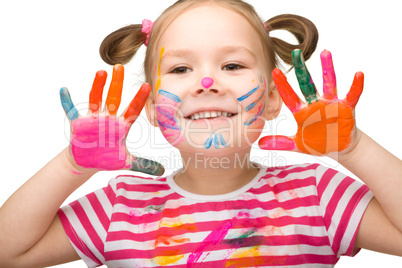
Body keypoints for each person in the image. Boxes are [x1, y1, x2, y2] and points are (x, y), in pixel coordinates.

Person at [0, 0, 401, 267]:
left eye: (232, 66)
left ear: (276, 97)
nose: (207, 81)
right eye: (179, 69)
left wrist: (354, 148)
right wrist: (72, 164)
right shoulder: (123, 207)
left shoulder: (315, 194)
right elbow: (8, 252)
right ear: (154, 109)